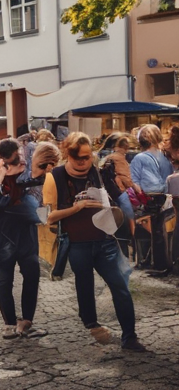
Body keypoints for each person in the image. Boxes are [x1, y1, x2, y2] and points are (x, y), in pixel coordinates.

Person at [45, 133, 145, 351]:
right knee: (84, 284)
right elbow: (46, 217)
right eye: (77, 157)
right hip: (77, 243)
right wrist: (77, 207)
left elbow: (120, 197)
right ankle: (91, 322)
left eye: (87, 156)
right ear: (67, 154)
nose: (83, 161)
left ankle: (130, 337)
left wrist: (129, 219)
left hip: (104, 240)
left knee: (120, 287)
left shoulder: (99, 172)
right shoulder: (55, 176)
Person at [0, 139, 48, 339]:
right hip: (1, 238)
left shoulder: (28, 173)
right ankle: (10, 324)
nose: (18, 163)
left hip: (23, 234)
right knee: (3, 283)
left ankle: (25, 323)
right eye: (13, 159)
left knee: (32, 277)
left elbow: (37, 193)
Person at [130, 124, 173, 274]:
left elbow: (134, 182)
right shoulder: (165, 157)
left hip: (149, 198)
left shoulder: (139, 158)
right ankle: (159, 261)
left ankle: (155, 263)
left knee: (155, 231)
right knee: (162, 232)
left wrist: (140, 197)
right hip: (167, 197)